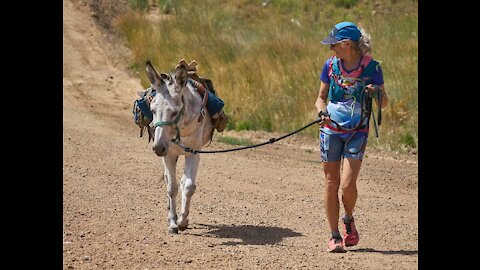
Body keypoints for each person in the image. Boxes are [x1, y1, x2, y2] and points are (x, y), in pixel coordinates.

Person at [314, 22, 388, 253]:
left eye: (333, 44)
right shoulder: (330, 66)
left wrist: (375, 93)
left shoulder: (372, 68)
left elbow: (384, 103)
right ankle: (334, 235)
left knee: (347, 185)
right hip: (330, 129)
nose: (331, 49)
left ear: (346, 44)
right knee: (330, 182)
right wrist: (321, 111)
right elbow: (320, 98)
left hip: (357, 131)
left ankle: (348, 218)